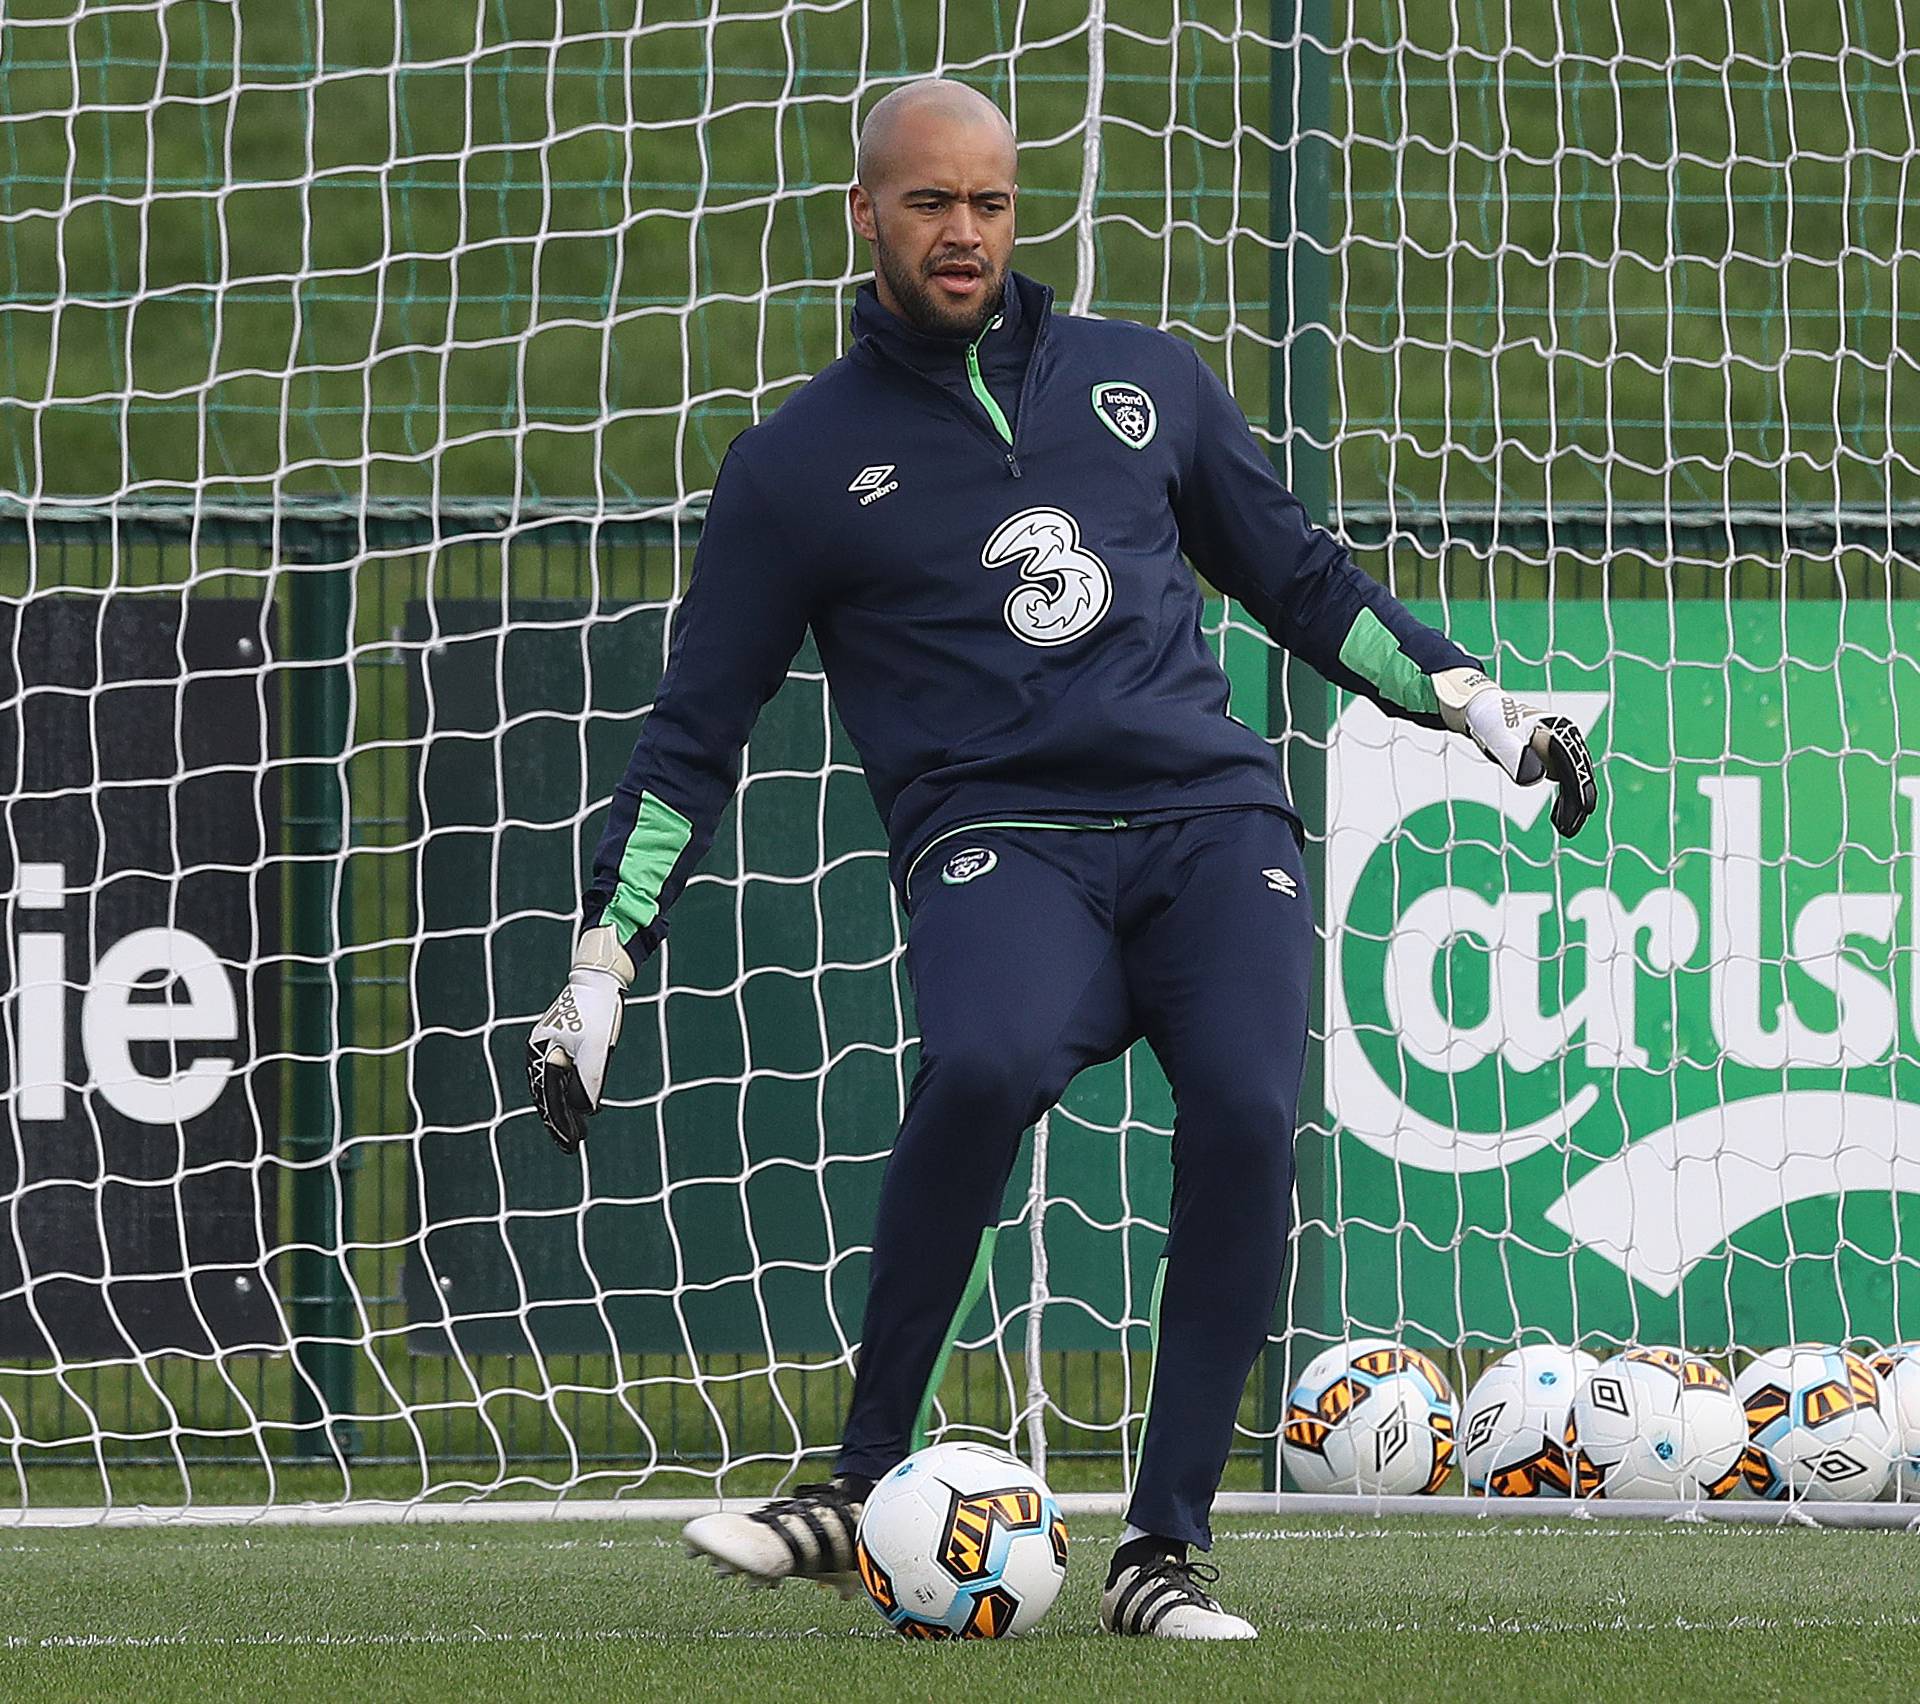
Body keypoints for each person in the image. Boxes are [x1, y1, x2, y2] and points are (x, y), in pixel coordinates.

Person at [527, 78, 1595, 1640]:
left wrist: (1483, 714)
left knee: (1245, 1108)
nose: (963, 234)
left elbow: (1300, 580)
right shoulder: (796, 466)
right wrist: (600, 975)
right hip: (999, 841)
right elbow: (695, 739)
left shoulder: (1141, 383)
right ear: (864, 214)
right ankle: (860, 1484)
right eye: (929, 204)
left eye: (991, 203)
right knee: (987, 1057)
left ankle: (1162, 1550)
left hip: (1211, 825)